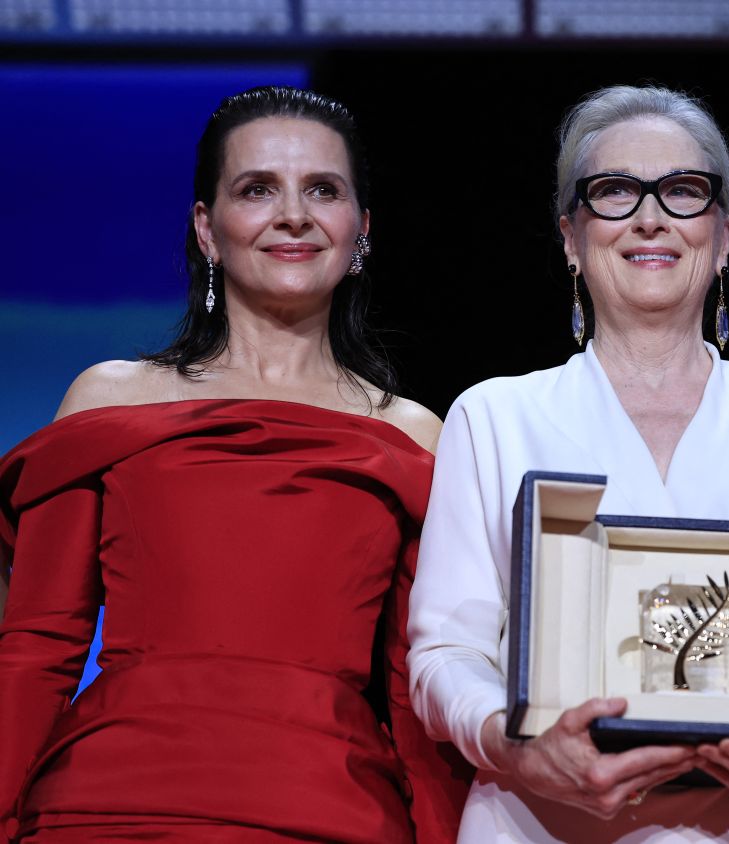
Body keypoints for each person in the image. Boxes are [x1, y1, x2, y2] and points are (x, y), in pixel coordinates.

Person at [405, 84, 729, 842]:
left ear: (723, 235)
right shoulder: (496, 418)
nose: (650, 218)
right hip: (542, 826)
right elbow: (447, 653)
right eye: (615, 191)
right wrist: (517, 746)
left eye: (683, 191)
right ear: (571, 237)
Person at [0, 86, 469, 842]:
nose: (294, 215)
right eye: (257, 189)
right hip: (108, 809)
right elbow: (35, 651)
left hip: (326, 811)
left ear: (361, 230)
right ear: (206, 229)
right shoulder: (109, 401)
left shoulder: (414, 436)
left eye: (323, 190)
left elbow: (418, 694)